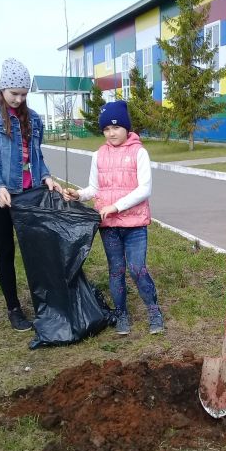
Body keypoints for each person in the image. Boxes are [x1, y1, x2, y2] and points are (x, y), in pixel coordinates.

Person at [0, 58, 62, 332]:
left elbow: (37, 156)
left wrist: (46, 176)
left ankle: (45, 303)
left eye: (24, 94)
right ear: (2, 89)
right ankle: (13, 308)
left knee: (36, 249)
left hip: (29, 193)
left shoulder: (34, 118)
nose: (19, 99)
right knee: (6, 250)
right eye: (14, 93)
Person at [63, 101, 164, 336]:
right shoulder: (98, 155)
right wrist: (79, 194)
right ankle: (121, 314)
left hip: (135, 225)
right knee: (116, 270)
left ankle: (154, 311)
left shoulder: (139, 152)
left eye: (116, 127)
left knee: (137, 268)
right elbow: (94, 188)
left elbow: (145, 189)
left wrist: (116, 206)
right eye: (107, 129)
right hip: (108, 227)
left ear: (126, 128)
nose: (112, 133)